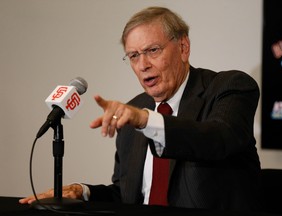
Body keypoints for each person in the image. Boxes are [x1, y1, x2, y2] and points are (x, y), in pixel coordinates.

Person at [20, 6, 262, 211]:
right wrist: (83, 192)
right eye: (133, 56)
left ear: (183, 47)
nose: (143, 65)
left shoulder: (230, 87)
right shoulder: (135, 109)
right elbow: (127, 196)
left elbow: (218, 139)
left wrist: (147, 121)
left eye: (152, 50)